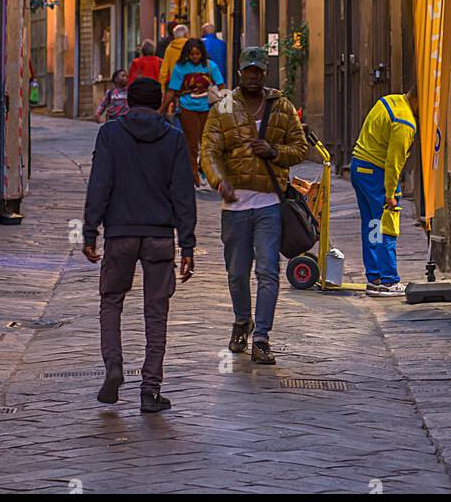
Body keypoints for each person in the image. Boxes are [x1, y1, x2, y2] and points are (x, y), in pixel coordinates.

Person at [82, 76, 196, 414]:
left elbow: (99, 185)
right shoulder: (174, 139)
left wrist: (90, 233)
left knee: (111, 301)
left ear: (128, 102)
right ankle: (150, 389)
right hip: (160, 236)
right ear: (160, 101)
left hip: (120, 233)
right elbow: (183, 195)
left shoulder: (110, 135)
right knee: (156, 312)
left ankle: (114, 366)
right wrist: (187, 245)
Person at [201, 45, 308, 365]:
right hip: (234, 207)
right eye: (247, 70)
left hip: (269, 203)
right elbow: (208, 150)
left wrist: (274, 152)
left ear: (265, 73)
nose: (252, 75)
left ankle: (261, 337)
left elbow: (300, 148)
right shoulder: (223, 108)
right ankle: (240, 321)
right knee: (236, 273)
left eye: (257, 71)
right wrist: (219, 181)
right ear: (239, 72)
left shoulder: (283, 108)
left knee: (267, 271)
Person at [350, 86, 419, 297]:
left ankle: (374, 277)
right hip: (378, 174)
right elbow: (394, 163)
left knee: (372, 224)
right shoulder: (405, 122)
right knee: (387, 226)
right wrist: (390, 194)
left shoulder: (388, 101)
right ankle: (389, 280)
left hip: (359, 167)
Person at [163, 37, 224, 187]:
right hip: (187, 108)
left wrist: (226, 109)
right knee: (191, 144)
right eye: (192, 54)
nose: (195, 57)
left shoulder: (211, 66)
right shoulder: (180, 67)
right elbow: (172, 90)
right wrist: (162, 109)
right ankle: (193, 175)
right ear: (187, 54)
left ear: (202, 53)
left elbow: (222, 87)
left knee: (207, 142)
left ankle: (204, 168)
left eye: (197, 54)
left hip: (207, 108)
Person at [158, 23, 189, 88]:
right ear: (186, 34)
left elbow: (164, 70)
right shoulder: (191, 46)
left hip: (175, 83)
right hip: (190, 81)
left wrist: (161, 87)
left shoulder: (170, 48)